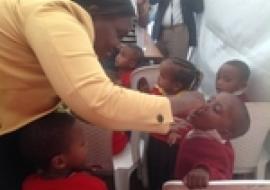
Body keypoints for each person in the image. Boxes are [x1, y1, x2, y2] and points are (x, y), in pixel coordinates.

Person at [0, 0, 203, 189]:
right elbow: (97, 101)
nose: (117, 45)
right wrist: (178, 103)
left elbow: (82, 103)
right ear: (94, 12)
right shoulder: (53, 16)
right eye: (118, 33)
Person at [147, 58, 203, 190]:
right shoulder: (158, 91)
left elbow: (190, 123)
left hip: (171, 147)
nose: (157, 78)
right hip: (155, 140)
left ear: (176, 85)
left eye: (162, 76)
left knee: (168, 173)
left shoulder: (186, 100)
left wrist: (177, 132)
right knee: (154, 169)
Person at [174, 92, 250, 189]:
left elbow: (222, 177)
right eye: (209, 100)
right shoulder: (201, 129)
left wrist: (205, 172)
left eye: (216, 109)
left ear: (225, 132)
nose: (206, 105)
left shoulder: (217, 150)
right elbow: (190, 135)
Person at [20, 112, 107, 190]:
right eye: (82, 144)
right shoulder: (95, 186)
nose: (87, 144)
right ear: (59, 162)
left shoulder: (28, 184)